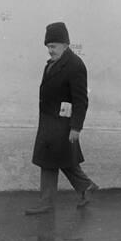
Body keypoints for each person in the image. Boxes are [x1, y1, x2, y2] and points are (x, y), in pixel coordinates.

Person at [26, 22, 99, 215]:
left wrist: (76, 127)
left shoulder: (75, 65)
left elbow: (81, 100)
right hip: (49, 122)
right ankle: (85, 186)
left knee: (50, 161)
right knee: (61, 159)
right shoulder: (52, 64)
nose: (50, 51)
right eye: (48, 47)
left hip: (62, 124)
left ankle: (46, 203)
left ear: (66, 45)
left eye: (53, 47)